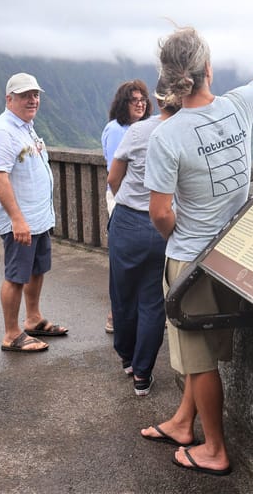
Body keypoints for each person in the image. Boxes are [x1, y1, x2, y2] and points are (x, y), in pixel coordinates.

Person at [142, 27, 253, 476]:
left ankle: (215, 449)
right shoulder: (238, 107)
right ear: (207, 70)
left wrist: (181, 237)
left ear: (168, 78)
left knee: (198, 361)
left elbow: (160, 212)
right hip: (230, 255)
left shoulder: (166, 136)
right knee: (202, 347)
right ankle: (184, 423)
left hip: (190, 263)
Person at [0, 72, 68, 354]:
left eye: (35, 95)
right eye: (25, 95)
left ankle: (33, 318)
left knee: (36, 270)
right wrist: (17, 219)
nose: (32, 100)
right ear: (9, 99)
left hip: (39, 217)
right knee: (16, 275)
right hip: (21, 220)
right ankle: (11, 333)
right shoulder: (2, 131)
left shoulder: (26, 126)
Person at [107, 75, 180, 396]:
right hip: (162, 224)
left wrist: (128, 200)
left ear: (157, 97)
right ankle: (142, 374)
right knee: (152, 301)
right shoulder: (186, 133)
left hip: (127, 222)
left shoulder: (138, 131)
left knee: (122, 293)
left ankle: (126, 357)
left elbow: (113, 177)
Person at [100, 79, 153, 333]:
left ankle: (137, 316)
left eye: (143, 99)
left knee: (138, 263)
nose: (140, 104)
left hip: (138, 201)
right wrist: (125, 205)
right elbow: (114, 174)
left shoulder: (142, 128)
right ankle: (115, 316)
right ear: (124, 103)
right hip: (122, 200)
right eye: (135, 100)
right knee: (123, 262)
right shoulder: (116, 130)